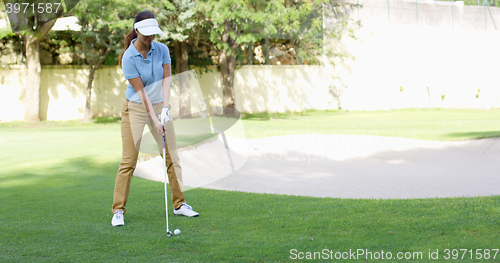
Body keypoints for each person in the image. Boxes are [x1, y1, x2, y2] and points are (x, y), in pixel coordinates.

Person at [111, 11, 199, 227]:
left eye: (154, 34)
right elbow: (142, 94)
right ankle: (118, 210)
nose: (151, 39)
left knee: (172, 156)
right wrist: (155, 118)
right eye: (147, 34)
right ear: (137, 31)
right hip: (136, 108)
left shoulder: (162, 49)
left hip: (159, 105)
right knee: (129, 160)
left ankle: (179, 205)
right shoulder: (128, 58)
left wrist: (166, 109)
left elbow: (167, 80)